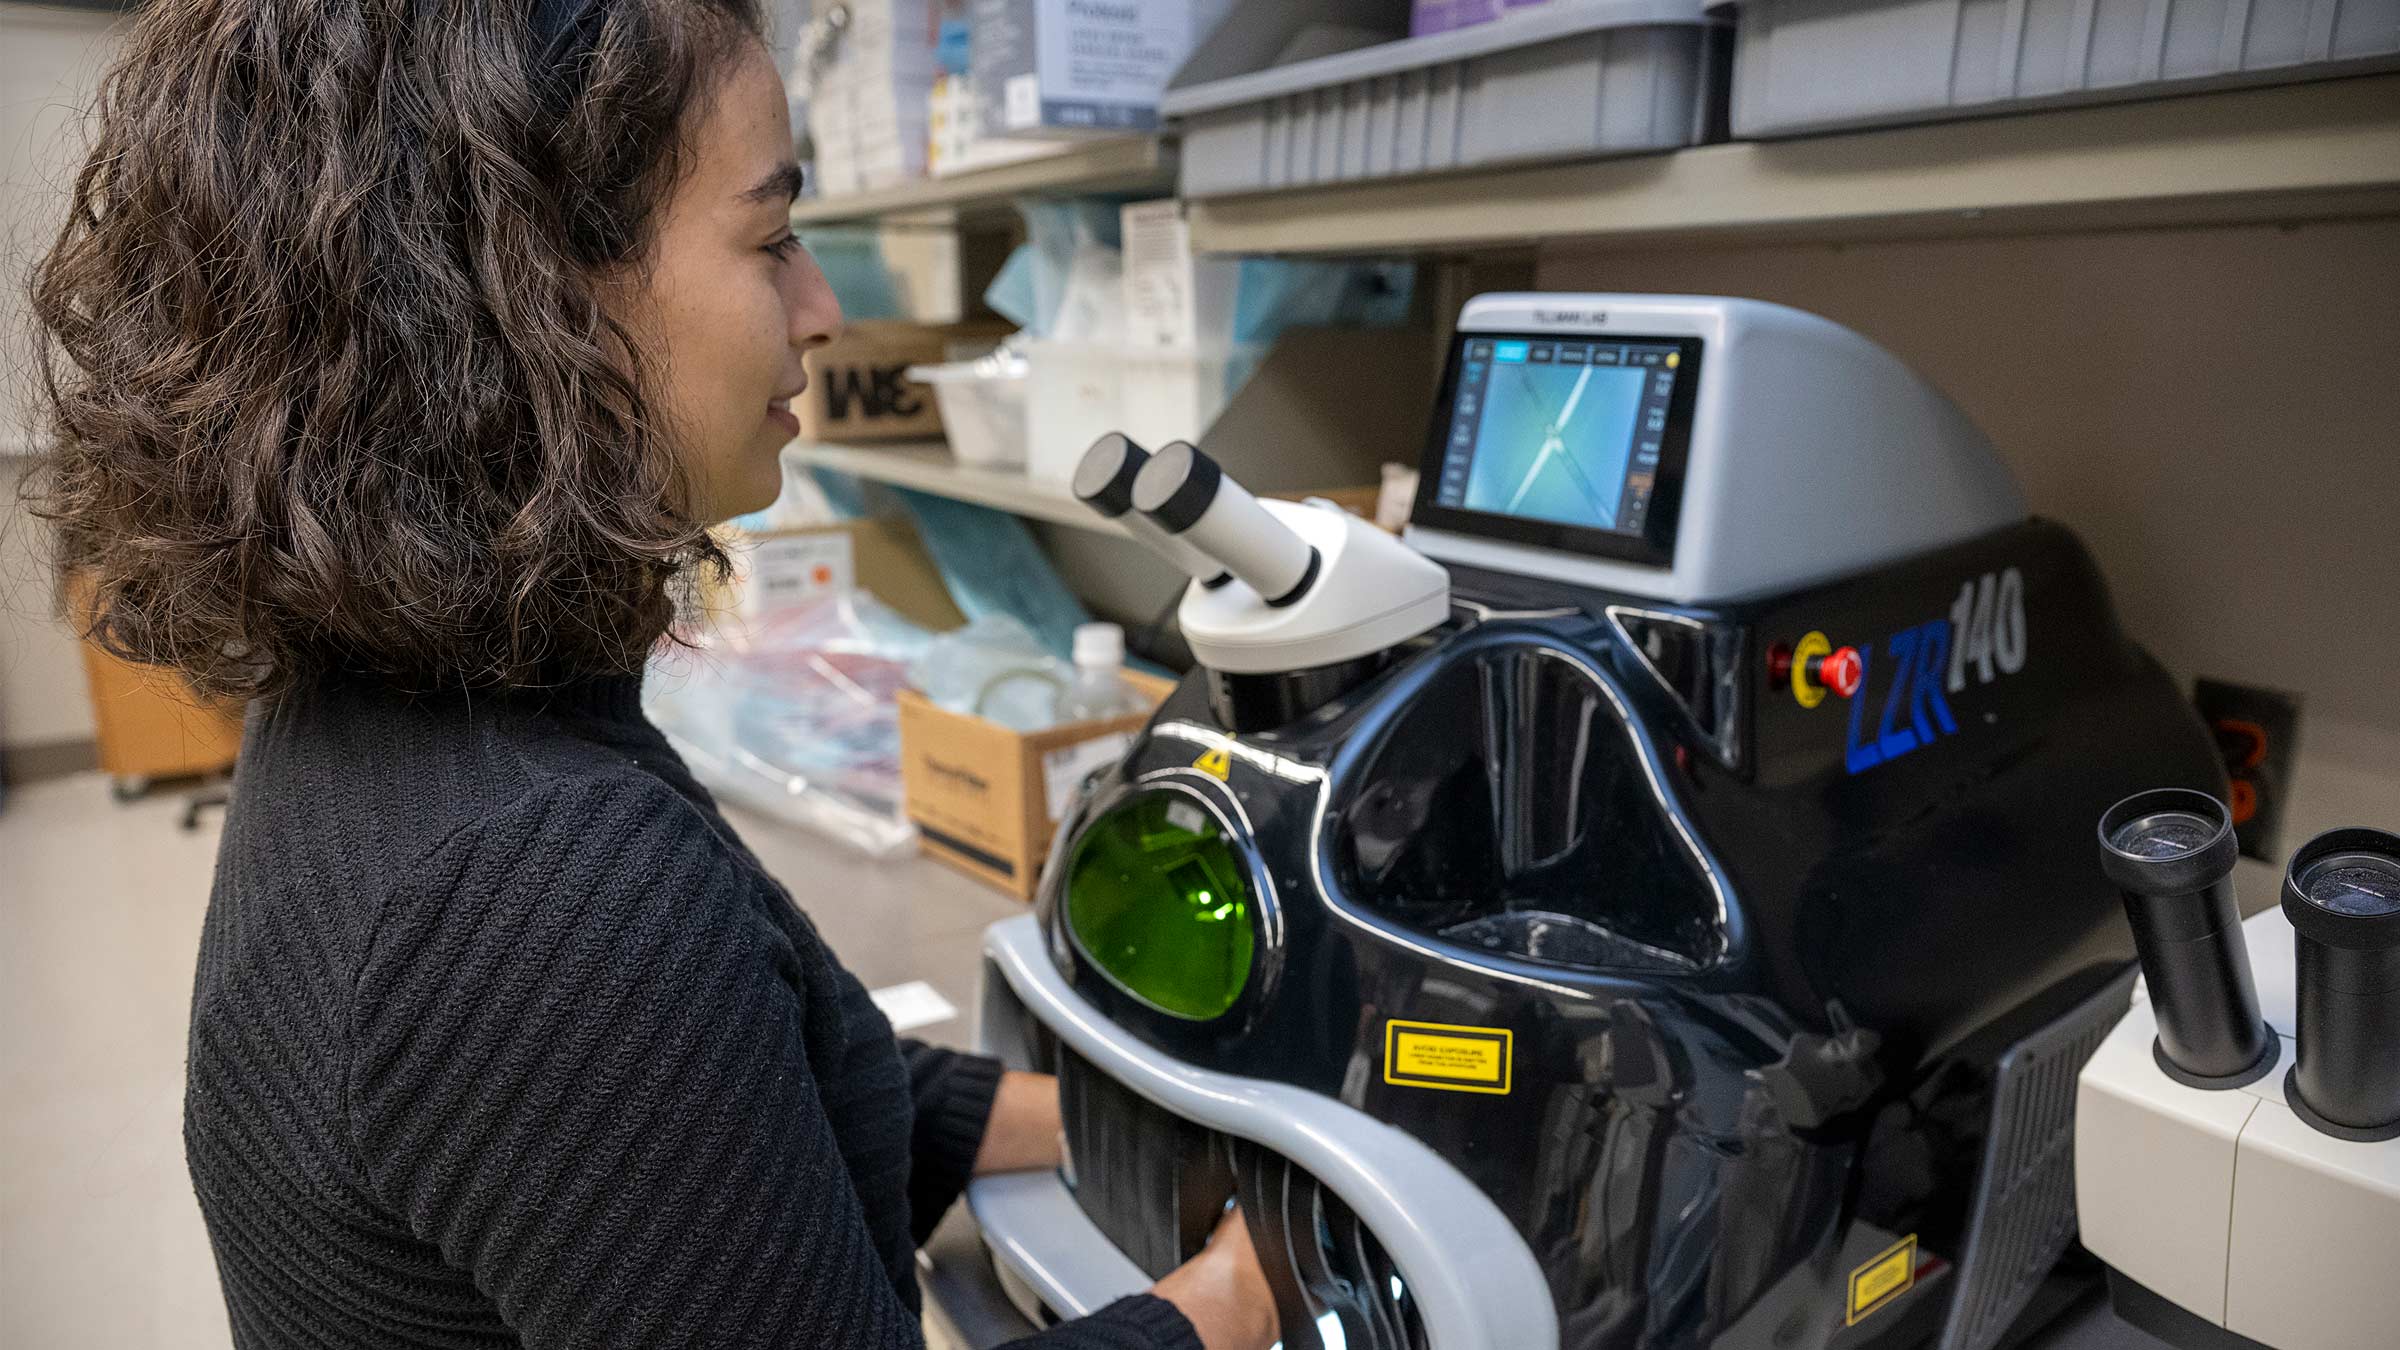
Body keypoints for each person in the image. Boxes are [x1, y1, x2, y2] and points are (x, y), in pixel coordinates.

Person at [27, 3, 1278, 1348]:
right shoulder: (540, 890)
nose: (823, 306)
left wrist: (1106, 1120)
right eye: (772, 237)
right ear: (530, 293)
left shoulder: (420, 699)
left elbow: (729, 1104)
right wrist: (1232, 1297)